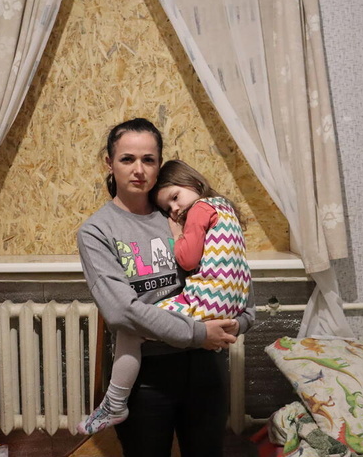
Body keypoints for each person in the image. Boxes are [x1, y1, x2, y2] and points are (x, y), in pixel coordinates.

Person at [76, 118, 255, 457]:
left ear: (160, 164)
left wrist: (237, 324)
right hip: (147, 377)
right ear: (109, 164)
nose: (139, 169)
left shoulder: (183, 213)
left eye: (149, 159)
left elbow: (235, 282)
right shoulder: (97, 231)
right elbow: (121, 312)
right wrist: (200, 333)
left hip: (206, 368)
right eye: (127, 159)